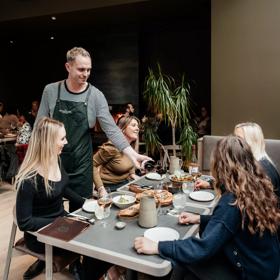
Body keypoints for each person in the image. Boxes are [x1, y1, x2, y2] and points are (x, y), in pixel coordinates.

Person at [134, 136, 280, 280]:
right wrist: (200, 218)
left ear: (220, 165)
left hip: (250, 272)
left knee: (181, 261)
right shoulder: (255, 186)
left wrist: (158, 246)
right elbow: (234, 223)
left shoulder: (232, 200)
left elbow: (202, 248)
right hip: (265, 265)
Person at [36, 47, 149, 211]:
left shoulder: (96, 95)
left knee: (80, 213)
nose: (86, 74)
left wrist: (132, 155)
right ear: (68, 67)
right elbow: (39, 127)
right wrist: (34, 161)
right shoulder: (51, 91)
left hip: (82, 165)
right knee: (53, 212)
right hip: (53, 162)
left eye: (89, 69)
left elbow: (111, 129)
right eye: (81, 69)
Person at [15, 117, 87, 279]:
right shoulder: (29, 178)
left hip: (60, 223)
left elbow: (62, 187)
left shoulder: (56, 160)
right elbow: (24, 222)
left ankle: (72, 263)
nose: (66, 142)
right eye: (62, 138)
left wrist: (85, 202)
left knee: (92, 229)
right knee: (88, 241)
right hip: (39, 235)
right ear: (48, 142)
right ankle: (76, 266)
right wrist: (59, 221)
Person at [195, 122, 280, 200]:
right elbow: (236, 186)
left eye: (239, 139)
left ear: (252, 141)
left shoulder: (262, 171)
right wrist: (210, 184)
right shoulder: (249, 163)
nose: (234, 142)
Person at [93, 116, 140, 196]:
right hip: (109, 188)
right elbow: (92, 164)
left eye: (138, 126)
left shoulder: (130, 146)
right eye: (133, 125)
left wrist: (132, 174)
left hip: (125, 183)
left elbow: (130, 161)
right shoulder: (112, 147)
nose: (137, 128)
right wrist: (101, 188)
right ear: (123, 129)